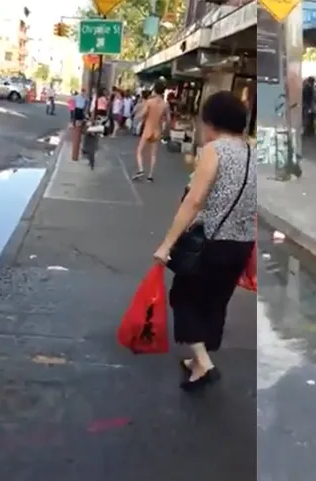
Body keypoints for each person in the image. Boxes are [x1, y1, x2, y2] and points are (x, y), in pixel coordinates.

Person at [152, 91, 255, 391]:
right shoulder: (251, 151)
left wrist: (167, 244)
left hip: (209, 241)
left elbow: (195, 200)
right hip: (241, 243)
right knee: (214, 301)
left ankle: (204, 364)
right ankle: (198, 359)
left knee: (184, 297)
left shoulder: (213, 151)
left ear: (210, 122)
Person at [132, 81, 169, 182]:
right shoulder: (165, 105)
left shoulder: (149, 102)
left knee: (139, 151)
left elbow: (142, 114)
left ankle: (141, 169)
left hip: (148, 129)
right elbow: (168, 119)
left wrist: (136, 116)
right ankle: (150, 175)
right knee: (153, 154)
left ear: (155, 90)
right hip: (157, 130)